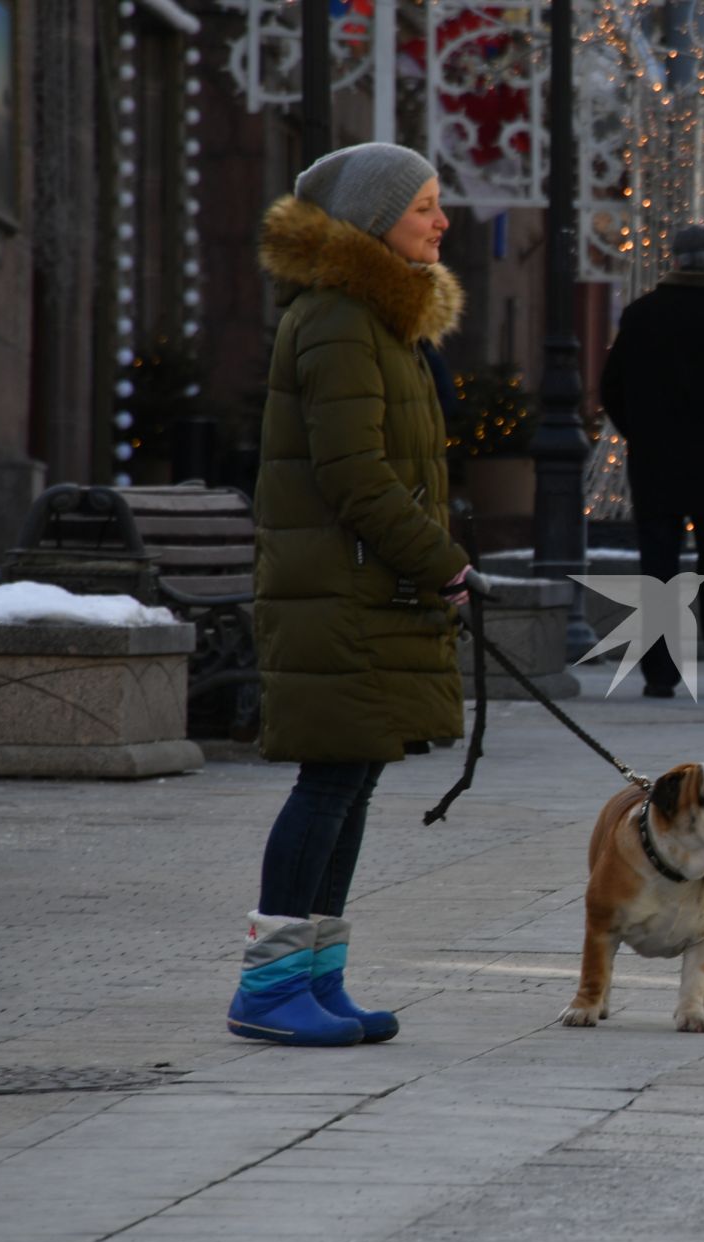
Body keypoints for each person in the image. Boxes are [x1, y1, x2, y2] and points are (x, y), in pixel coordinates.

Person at [240, 142, 482, 1047]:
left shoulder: (378, 318)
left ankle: (315, 977)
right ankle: (268, 990)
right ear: (377, 219)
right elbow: (356, 478)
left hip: (366, 590)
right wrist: (443, 561)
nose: (442, 220)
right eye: (425, 205)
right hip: (338, 593)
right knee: (330, 782)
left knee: (352, 780)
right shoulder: (340, 319)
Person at [599, 225, 704, 697]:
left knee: (658, 564)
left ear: (674, 261)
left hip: (656, 459)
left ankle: (660, 674)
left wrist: (642, 432)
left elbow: (612, 386)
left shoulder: (642, 313)